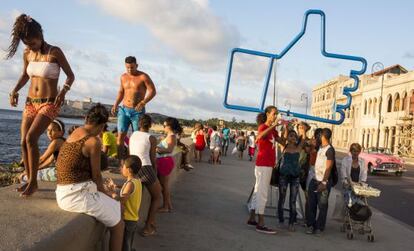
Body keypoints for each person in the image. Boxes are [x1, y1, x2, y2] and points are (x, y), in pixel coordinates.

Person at [7, 14, 75, 196]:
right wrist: (14, 91)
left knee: (31, 139)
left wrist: (63, 92)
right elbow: (25, 75)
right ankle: (29, 180)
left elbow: (70, 75)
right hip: (30, 102)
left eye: (33, 43)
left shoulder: (55, 52)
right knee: (23, 142)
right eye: (27, 44)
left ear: (41, 36)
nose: (31, 47)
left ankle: (33, 182)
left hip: (49, 103)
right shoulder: (27, 53)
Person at [55, 104, 124, 251]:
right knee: (119, 225)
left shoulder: (77, 132)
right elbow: (97, 175)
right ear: (102, 125)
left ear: (86, 118)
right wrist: (106, 193)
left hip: (66, 191)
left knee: (116, 207)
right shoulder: (93, 141)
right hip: (75, 195)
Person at [247, 106, 285, 234]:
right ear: (268, 114)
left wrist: (285, 128)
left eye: (276, 114)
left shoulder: (273, 130)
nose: (275, 116)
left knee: (258, 191)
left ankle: (252, 217)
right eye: (274, 114)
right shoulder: (263, 127)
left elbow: (282, 142)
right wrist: (273, 125)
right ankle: (261, 223)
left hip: (267, 164)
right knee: (263, 193)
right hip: (263, 164)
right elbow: (260, 136)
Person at [111, 56, 156, 162]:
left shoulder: (143, 77)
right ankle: (121, 161)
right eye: (127, 68)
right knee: (120, 136)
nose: (130, 70)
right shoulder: (123, 77)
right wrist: (115, 104)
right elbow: (121, 92)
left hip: (137, 111)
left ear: (137, 65)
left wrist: (143, 102)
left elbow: (153, 91)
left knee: (137, 137)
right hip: (123, 110)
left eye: (132, 67)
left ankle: (135, 162)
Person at [129, 114, 162, 236]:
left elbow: (130, 153)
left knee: (136, 199)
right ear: (150, 125)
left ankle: (133, 227)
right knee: (157, 196)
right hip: (145, 168)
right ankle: (148, 226)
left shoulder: (133, 135)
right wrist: (155, 172)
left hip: (134, 168)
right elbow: (153, 158)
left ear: (139, 124)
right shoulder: (151, 138)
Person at [107, 156, 142, 251]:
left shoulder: (130, 184)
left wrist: (112, 193)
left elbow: (122, 200)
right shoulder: (136, 180)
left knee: (125, 245)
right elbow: (128, 189)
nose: (121, 169)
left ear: (129, 169)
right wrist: (116, 186)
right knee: (128, 242)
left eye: (122, 167)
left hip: (127, 219)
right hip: (133, 219)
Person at [306, 128, 335, 235]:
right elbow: (308, 146)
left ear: (323, 136)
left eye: (319, 135)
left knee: (322, 205)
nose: (317, 137)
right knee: (311, 204)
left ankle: (319, 227)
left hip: (323, 181)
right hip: (314, 179)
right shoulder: (319, 147)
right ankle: (310, 225)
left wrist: (324, 183)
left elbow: (328, 168)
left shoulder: (329, 150)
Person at [277, 129, 305, 232]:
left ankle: (291, 222)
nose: (293, 137)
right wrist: (285, 127)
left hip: (295, 177)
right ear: (287, 137)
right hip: (283, 176)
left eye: (294, 136)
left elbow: (304, 137)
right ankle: (281, 220)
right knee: (282, 199)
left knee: (293, 200)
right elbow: (280, 138)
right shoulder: (283, 146)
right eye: (291, 136)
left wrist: (302, 129)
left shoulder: (299, 147)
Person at [156, 117, 181, 213]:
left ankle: (165, 207)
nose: (163, 127)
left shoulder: (171, 136)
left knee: (164, 186)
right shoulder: (170, 136)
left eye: (164, 125)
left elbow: (169, 149)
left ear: (169, 126)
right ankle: (168, 205)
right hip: (165, 161)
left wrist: (156, 148)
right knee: (164, 185)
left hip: (164, 161)